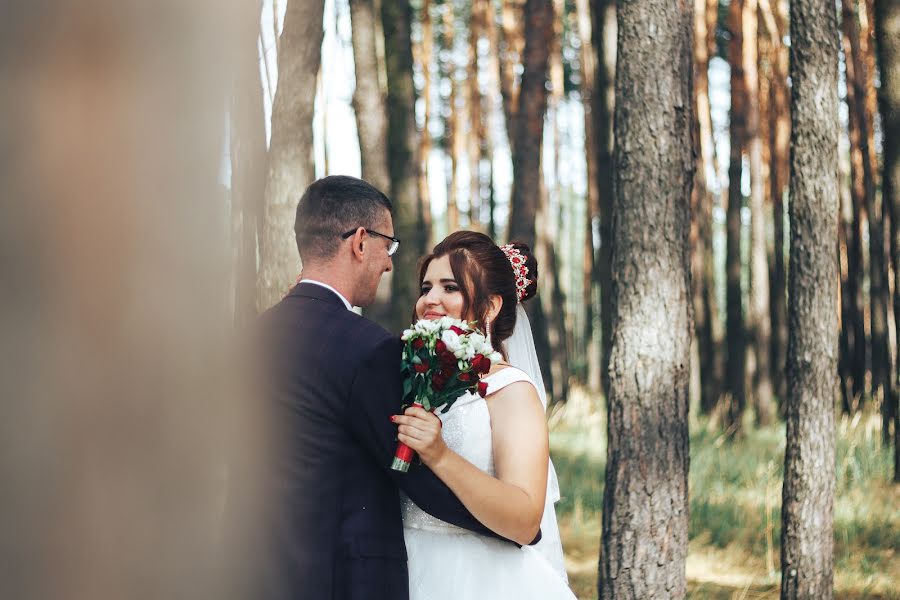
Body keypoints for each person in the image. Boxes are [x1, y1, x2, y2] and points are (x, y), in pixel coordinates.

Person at [258, 177, 528, 600]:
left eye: (449, 287)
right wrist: (514, 528)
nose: (388, 264)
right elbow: (412, 474)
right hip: (345, 575)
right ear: (360, 242)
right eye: (389, 246)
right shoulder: (368, 349)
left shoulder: (256, 334)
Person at [393, 231, 575, 600]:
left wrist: (439, 455)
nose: (430, 299)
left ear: (490, 307)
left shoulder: (512, 391)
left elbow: (525, 521)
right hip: (400, 567)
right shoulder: (410, 376)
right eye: (426, 287)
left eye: (450, 288)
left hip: (476, 577)